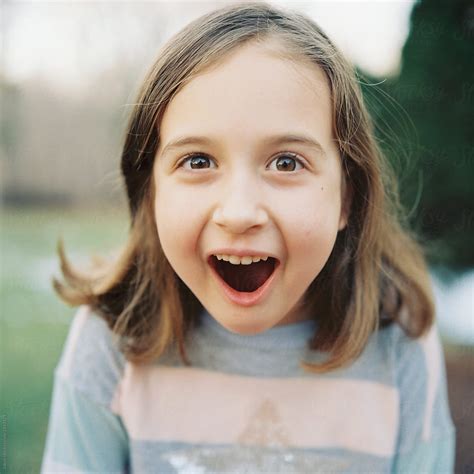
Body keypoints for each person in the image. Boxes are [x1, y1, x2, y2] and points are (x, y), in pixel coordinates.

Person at [40, 2, 455, 473]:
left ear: (346, 198)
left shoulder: (400, 342)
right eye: (198, 161)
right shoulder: (112, 338)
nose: (238, 213)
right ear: (150, 191)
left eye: (286, 162)